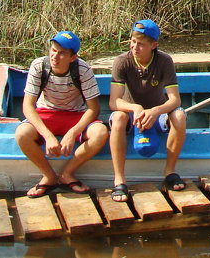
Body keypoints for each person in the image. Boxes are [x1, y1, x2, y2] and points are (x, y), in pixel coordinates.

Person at [15, 30, 109, 197]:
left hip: (75, 114)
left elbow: (94, 109)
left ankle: (67, 174)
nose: (55, 57)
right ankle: (49, 176)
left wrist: (73, 133)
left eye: (62, 53)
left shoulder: (82, 69)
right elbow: (28, 106)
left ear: (73, 57)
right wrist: (48, 136)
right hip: (47, 112)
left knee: (101, 133)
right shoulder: (39, 66)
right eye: (53, 50)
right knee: (22, 134)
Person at [108, 19, 187, 202]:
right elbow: (114, 101)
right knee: (118, 118)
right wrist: (135, 108)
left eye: (141, 44)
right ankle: (119, 180)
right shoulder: (122, 61)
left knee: (179, 116)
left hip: (157, 113)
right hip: (130, 114)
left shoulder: (164, 61)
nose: (135, 47)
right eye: (133, 42)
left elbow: (175, 99)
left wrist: (155, 111)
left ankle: (169, 172)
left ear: (154, 45)